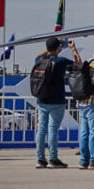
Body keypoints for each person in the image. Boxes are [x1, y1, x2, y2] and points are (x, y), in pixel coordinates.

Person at [33, 37, 81, 168]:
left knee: (42, 129)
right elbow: (78, 63)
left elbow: (38, 55)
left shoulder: (40, 60)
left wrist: (51, 46)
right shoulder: (61, 61)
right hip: (57, 100)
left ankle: (40, 159)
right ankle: (53, 158)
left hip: (42, 99)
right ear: (58, 48)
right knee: (53, 129)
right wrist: (73, 49)